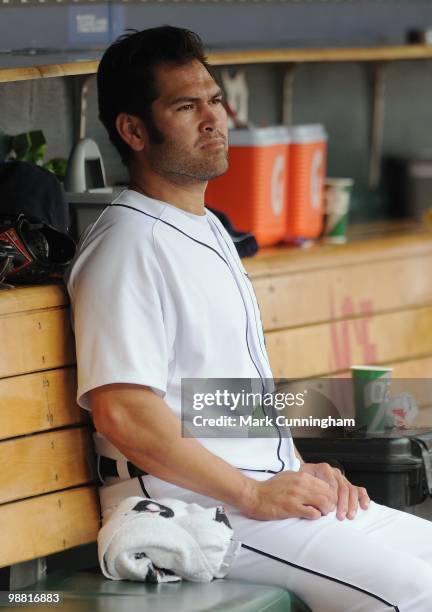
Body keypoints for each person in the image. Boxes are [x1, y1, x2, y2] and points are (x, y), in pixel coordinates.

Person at [66, 26, 432, 612]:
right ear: (133, 130)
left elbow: (207, 396)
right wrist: (256, 491)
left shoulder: (207, 224)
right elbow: (124, 413)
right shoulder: (127, 245)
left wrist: (295, 466)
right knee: (415, 596)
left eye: (214, 99)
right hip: (197, 510)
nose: (213, 118)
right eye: (186, 107)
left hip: (258, 492)